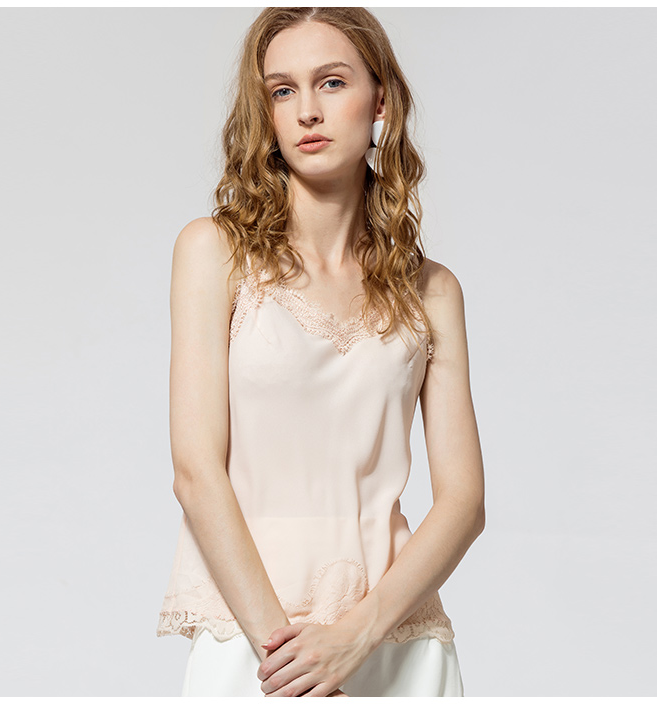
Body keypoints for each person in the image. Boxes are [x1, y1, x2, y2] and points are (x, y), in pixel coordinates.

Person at [157, 7, 485, 697]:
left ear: (381, 101)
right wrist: (293, 659)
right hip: (255, 645)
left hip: (398, 644)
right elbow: (195, 471)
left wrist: (355, 636)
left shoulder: (433, 291)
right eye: (283, 90)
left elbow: (463, 501)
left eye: (332, 82)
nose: (307, 110)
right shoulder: (215, 254)